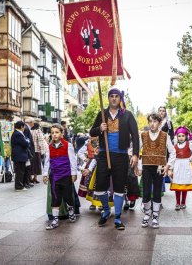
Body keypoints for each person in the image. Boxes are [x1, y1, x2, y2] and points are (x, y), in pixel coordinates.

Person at [89, 86, 139, 230]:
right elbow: (92, 131)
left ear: (119, 98)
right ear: (108, 98)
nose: (114, 98)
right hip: (104, 155)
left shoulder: (127, 115)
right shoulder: (102, 114)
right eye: (112, 96)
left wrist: (135, 154)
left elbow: (135, 135)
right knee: (100, 187)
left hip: (121, 155)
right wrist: (100, 129)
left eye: (117, 96)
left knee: (118, 187)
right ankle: (106, 210)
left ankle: (117, 218)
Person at [137, 113, 176, 228]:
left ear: (159, 123)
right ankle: (147, 213)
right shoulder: (143, 135)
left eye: (155, 121)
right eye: (150, 121)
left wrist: (168, 166)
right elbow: (136, 150)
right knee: (146, 192)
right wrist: (138, 166)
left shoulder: (165, 135)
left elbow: (172, 152)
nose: (152, 124)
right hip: (147, 167)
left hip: (160, 168)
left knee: (157, 192)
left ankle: (155, 216)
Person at [43, 124, 78, 230]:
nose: (54, 134)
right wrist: (45, 174)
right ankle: (55, 220)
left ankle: (71, 211)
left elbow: (73, 160)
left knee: (68, 196)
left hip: (66, 175)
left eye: (57, 132)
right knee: (55, 198)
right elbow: (47, 161)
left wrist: (74, 173)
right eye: (52, 133)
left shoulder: (68, 145)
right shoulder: (49, 147)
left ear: (62, 134)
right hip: (54, 176)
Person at [169, 126, 192, 210]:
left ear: (186, 136)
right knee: (177, 184)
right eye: (179, 136)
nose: (181, 138)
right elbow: (172, 156)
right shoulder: (175, 145)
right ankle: (177, 203)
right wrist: (171, 167)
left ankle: (183, 202)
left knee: (184, 184)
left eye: (183, 136)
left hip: (186, 165)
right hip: (177, 165)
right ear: (177, 136)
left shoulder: (189, 144)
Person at [11, 121, 30, 192]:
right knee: (20, 172)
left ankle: (20, 185)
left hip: (19, 156)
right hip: (19, 156)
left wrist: (27, 141)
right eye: (24, 126)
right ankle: (19, 187)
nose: (24, 128)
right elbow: (25, 143)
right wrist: (27, 141)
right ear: (22, 127)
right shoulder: (18, 134)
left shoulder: (17, 133)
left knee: (21, 171)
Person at [23, 117, 35, 188]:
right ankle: (26, 183)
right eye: (33, 122)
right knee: (27, 168)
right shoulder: (26, 129)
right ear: (30, 122)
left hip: (28, 151)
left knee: (28, 168)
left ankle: (27, 182)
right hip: (27, 152)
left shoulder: (27, 128)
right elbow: (27, 140)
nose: (33, 124)